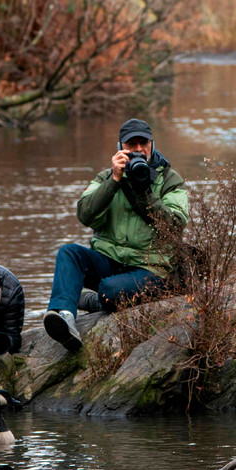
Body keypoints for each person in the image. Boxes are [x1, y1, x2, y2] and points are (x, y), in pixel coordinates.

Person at [42, 118, 189, 353]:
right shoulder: (106, 177)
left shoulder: (170, 179)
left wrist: (144, 191)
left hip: (150, 268)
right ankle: (64, 316)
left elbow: (174, 225)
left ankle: (94, 301)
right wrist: (114, 181)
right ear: (121, 147)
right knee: (69, 253)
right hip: (109, 261)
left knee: (110, 289)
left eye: (144, 143)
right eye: (132, 144)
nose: (139, 149)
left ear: (152, 143)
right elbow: (85, 214)